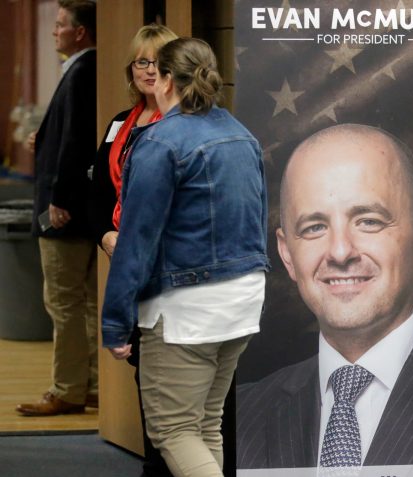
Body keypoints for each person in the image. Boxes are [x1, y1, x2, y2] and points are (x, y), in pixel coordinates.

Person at [236, 124, 413, 469]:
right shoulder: (239, 414)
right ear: (287, 255)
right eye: (314, 227)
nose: (340, 251)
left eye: (369, 221)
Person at [101, 38, 269, 477]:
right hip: (243, 296)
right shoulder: (239, 132)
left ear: (167, 79)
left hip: (186, 307)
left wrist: (115, 322)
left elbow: (136, 242)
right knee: (203, 425)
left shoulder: (161, 142)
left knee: (174, 432)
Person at [88, 24, 177, 477]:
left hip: (171, 270)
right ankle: (154, 465)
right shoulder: (121, 122)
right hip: (126, 265)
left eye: (160, 62)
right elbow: (100, 192)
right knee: (144, 369)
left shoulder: (186, 124)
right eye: (142, 61)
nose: (150, 70)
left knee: (172, 385)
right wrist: (106, 236)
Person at [16, 0, 98, 418]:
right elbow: (66, 134)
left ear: (80, 32)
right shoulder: (82, 71)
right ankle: (93, 384)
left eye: (61, 25)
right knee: (85, 300)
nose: (54, 32)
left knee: (63, 301)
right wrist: (41, 140)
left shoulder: (83, 71)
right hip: (77, 205)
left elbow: (78, 142)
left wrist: (60, 199)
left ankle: (66, 389)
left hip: (63, 208)